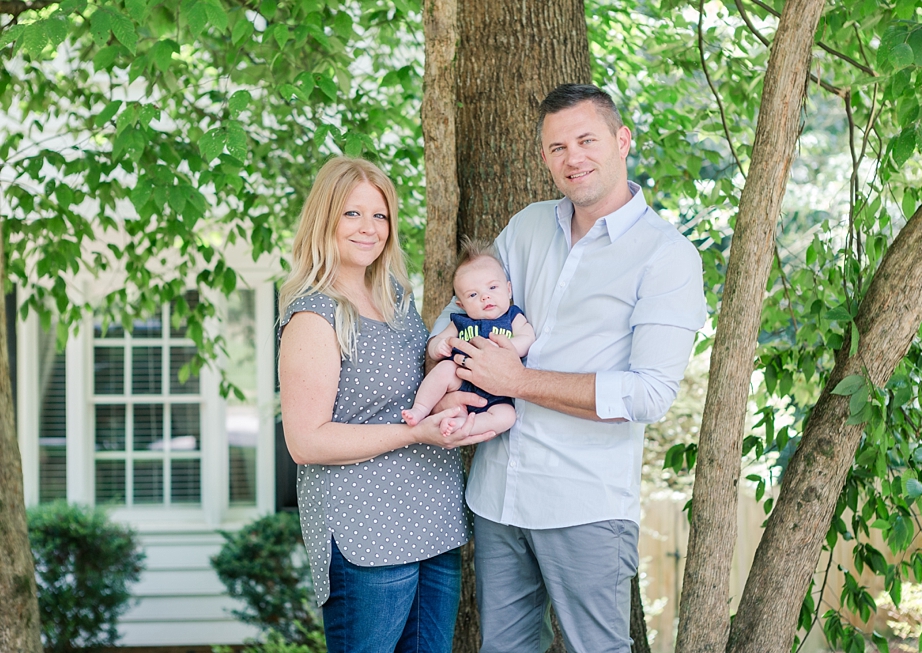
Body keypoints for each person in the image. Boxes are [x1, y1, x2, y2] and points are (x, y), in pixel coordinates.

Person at [432, 84, 707, 653]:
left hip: (583, 502)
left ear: (622, 140)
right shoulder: (529, 226)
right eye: (557, 147)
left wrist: (519, 382)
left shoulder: (668, 256)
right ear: (544, 157)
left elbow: (650, 394)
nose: (573, 157)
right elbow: (460, 307)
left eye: (586, 140)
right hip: (496, 496)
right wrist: (444, 350)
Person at [277, 156, 496, 653]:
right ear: (325, 218)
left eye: (380, 216)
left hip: (434, 520)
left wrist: (446, 375)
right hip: (368, 533)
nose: (369, 228)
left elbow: (399, 389)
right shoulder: (314, 314)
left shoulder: (393, 293)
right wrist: (416, 432)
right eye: (352, 214)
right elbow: (306, 440)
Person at [402, 238, 535, 436]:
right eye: (473, 295)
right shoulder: (460, 321)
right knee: (445, 369)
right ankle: (420, 409)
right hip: (462, 380)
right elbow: (437, 341)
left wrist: (507, 347)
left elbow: (527, 336)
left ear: (508, 290)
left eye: (492, 288)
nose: (485, 297)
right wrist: (439, 346)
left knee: (507, 416)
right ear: (461, 305)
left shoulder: (512, 317)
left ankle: (465, 425)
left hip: (498, 393)